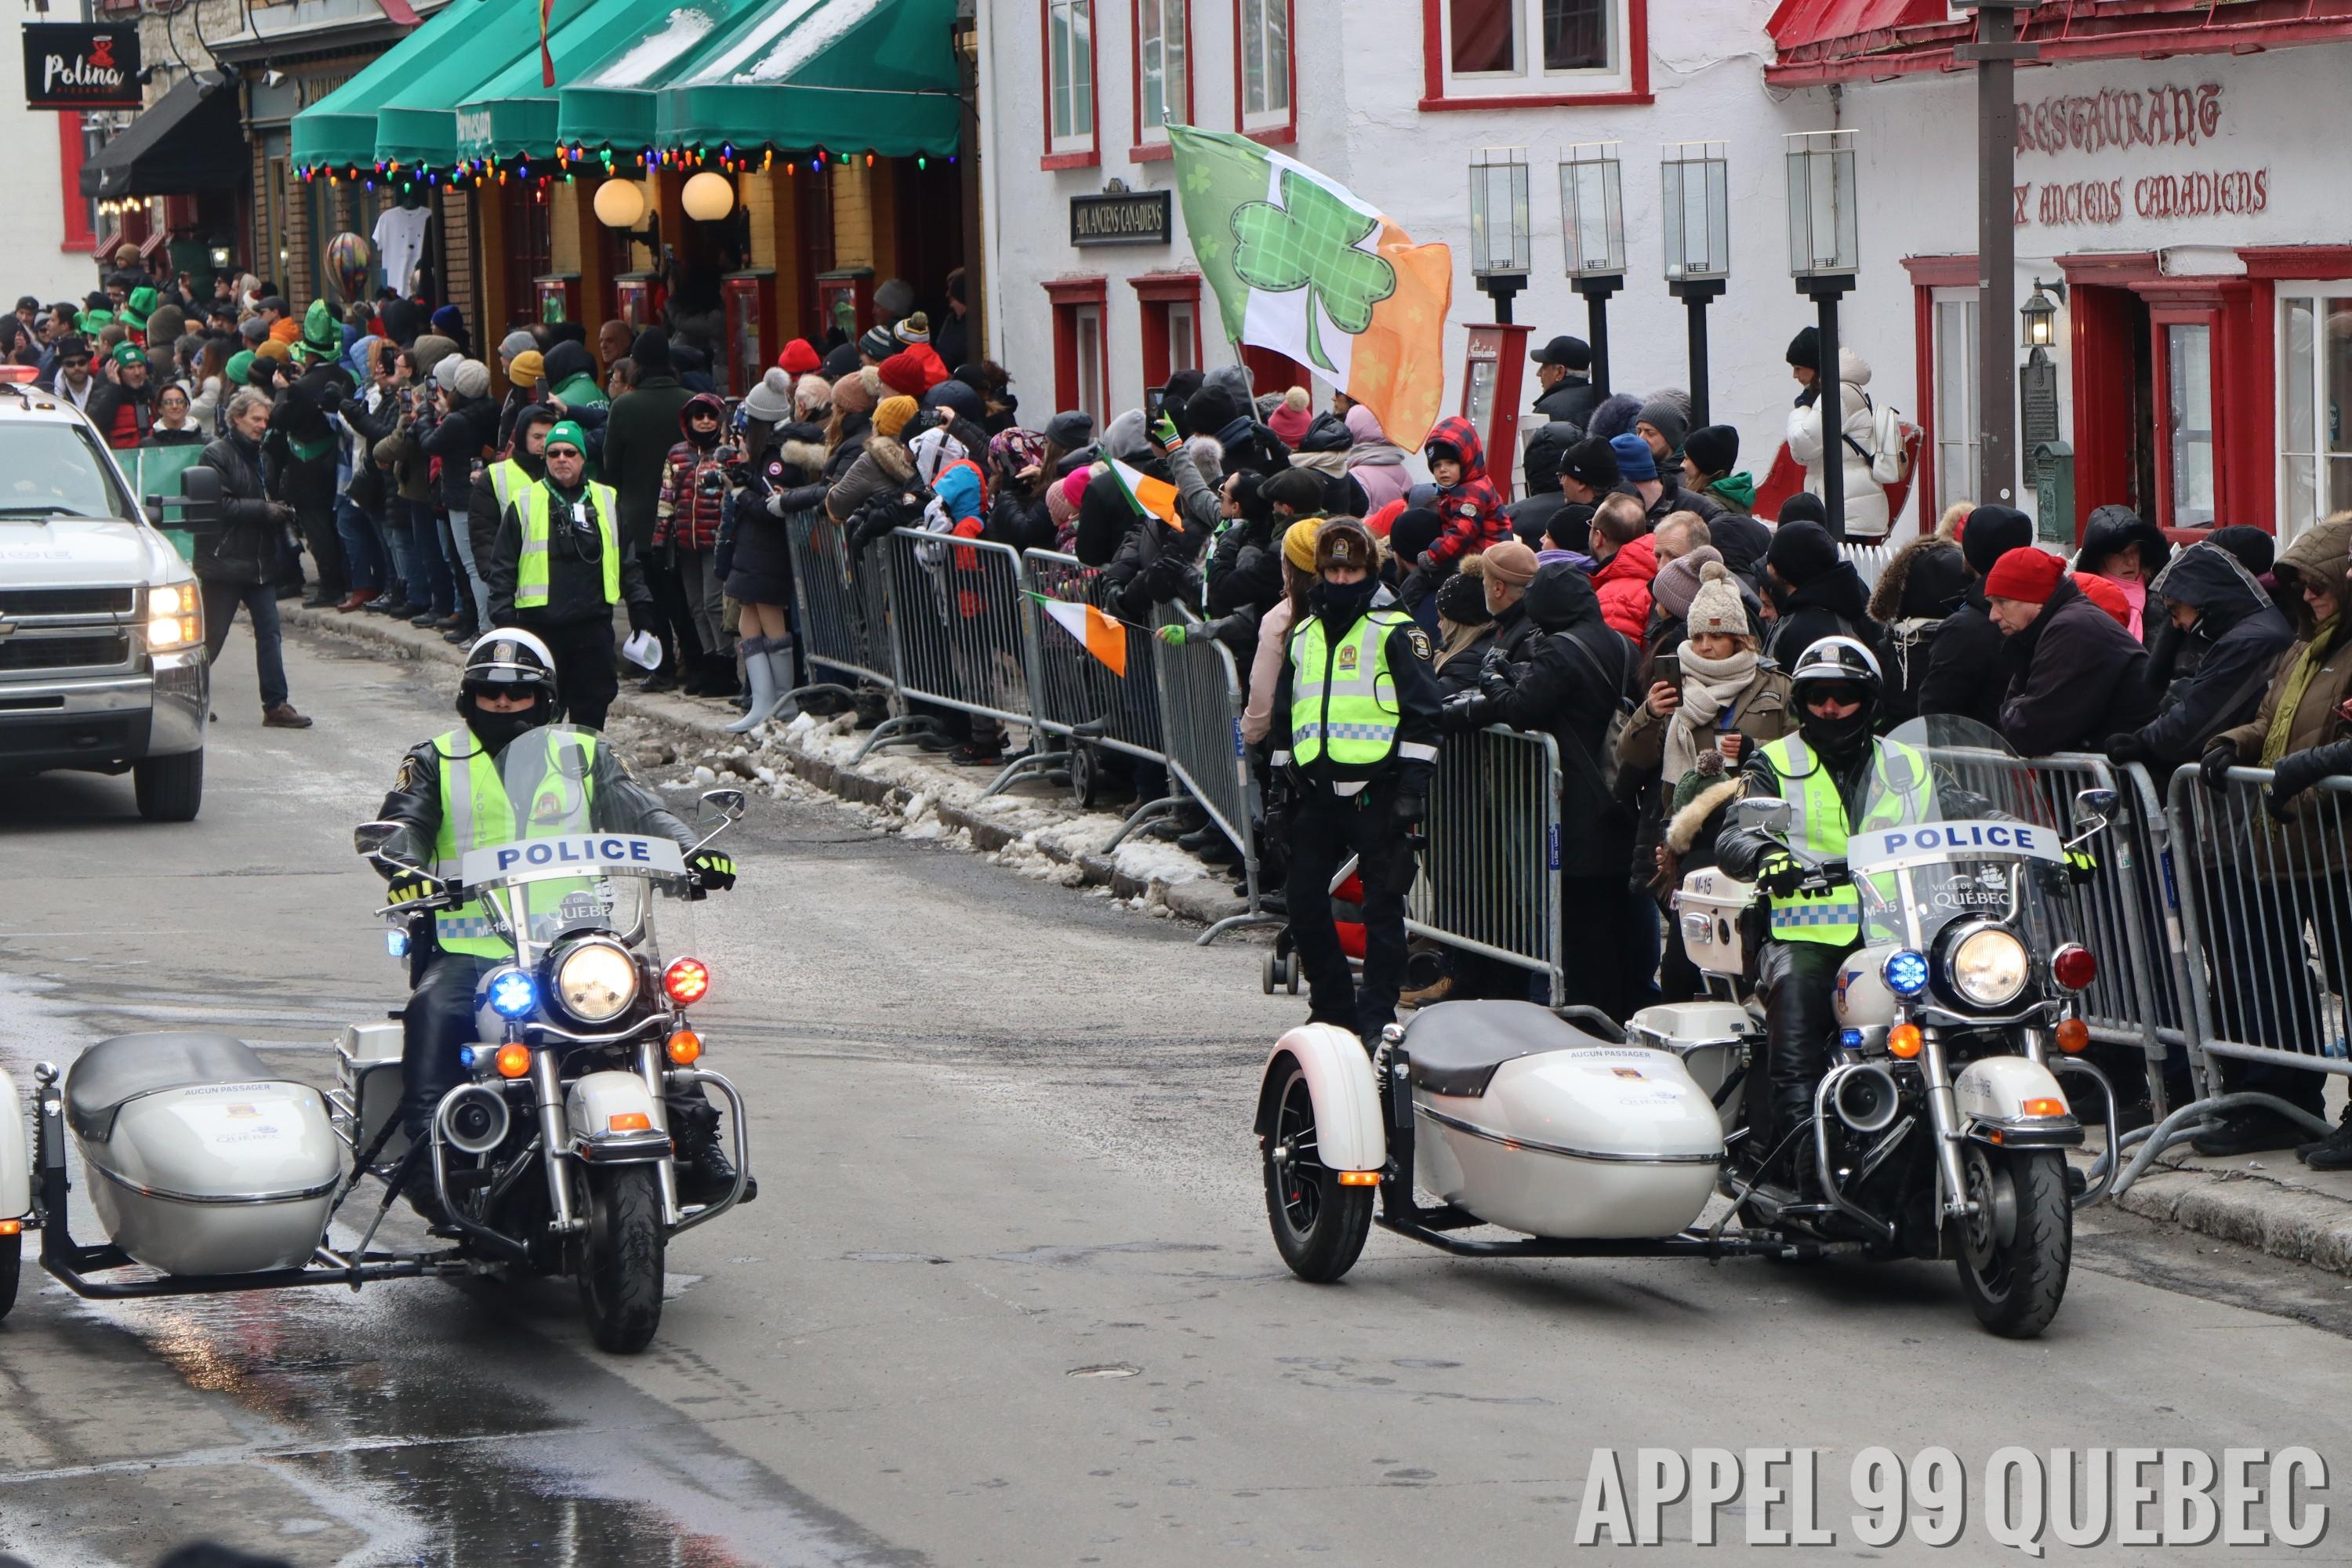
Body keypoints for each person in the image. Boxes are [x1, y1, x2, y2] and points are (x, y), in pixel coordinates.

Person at [369, 629, 748, 1207]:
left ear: (544, 700)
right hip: (471, 945)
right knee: (433, 1012)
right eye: (489, 693)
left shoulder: (584, 756)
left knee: (652, 1005)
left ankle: (696, 1134)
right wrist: (404, 868)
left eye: (517, 694)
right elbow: (402, 828)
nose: (502, 705)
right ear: (468, 697)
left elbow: (644, 814)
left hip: (574, 941)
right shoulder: (433, 760)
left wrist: (690, 852)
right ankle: (429, 1154)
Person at [1715, 637, 1930, 1169]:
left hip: (1898, 932)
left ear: (1871, 701)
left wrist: (2045, 847)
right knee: (1798, 1022)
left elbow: (1968, 812)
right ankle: (1803, 1161)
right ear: (1801, 702)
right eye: (1818, 697)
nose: (1831, 708)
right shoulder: (1775, 764)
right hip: (1805, 934)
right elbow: (1733, 837)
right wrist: (1767, 855)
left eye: (1844, 695)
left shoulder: (1907, 766)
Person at [2193, 515, 2352, 1157]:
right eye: (2296, 587)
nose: (2306, 597)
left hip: (2339, 843)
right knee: (2279, 979)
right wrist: (2230, 744)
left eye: (2315, 585)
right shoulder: (2306, 646)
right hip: (2293, 842)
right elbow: (2271, 718)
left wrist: (2314, 766)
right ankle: (2285, 1105)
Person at [1269, 517, 1444, 1044]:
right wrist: (1278, 791)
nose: (1341, 579)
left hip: (1379, 791)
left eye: (1351, 569)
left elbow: (1423, 715)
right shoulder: (1303, 633)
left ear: (1371, 568)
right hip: (1314, 793)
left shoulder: (1397, 630)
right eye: (1332, 569)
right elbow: (1286, 716)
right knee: (1302, 904)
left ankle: (1375, 1014)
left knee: (1382, 911)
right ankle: (1331, 1005)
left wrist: (1412, 791)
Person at [1444, 559, 1636, 1017]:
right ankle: (1616, 1009)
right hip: (1617, 794)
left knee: (1577, 922)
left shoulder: (1560, 650)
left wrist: (1491, 677)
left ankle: (1584, 1015)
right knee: (1614, 918)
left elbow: (1522, 710)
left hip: (1572, 800)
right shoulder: (1623, 644)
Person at [1618, 560, 1794, 1002]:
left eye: (1716, 635)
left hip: (1756, 834)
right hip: (1688, 839)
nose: (1706, 646)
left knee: (1749, 952)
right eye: (1698, 636)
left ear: (1740, 637)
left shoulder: (1775, 684)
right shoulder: (1674, 685)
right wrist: (1650, 714)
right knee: (1682, 960)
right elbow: (1633, 757)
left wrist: (1753, 751)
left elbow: (1802, 751)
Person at [482, 419, 656, 729]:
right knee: (538, 713)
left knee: (592, 709)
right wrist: (504, 619)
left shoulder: (606, 499)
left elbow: (627, 559)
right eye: (553, 453)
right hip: (540, 628)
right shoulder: (524, 502)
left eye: (570, 452)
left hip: (592, 625)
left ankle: (583, 770)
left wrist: (640, 605)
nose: (561, 459)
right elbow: (503, 566)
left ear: (582, 458)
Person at [2107, 541, 2292, 774]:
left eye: (2176, 610)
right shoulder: (2250, 632)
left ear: (2201, 597)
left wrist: (2145, 742)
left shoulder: (2248, 641)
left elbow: (2202, 711)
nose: (2175, 623)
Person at [192, 389, 310, 728]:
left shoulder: (264, 458)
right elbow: (218, 506)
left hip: (259, 560)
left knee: (270, 633)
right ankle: (189, 699)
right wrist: (265, 510)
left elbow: (268, 496)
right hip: (224, 561)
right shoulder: (215, 455)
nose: (262, 426)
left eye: (265, 420)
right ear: (236, 418)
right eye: (255, 419)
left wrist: (281, 510)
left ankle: (276, 705)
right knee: (212, 636)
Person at [1983, 546, 2156, 757]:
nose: (1993, 615)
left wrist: (2016, 710)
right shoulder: (2051, 629)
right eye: (1991, 604)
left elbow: (2030, 732)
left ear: (2036, 599)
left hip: (2134, 778)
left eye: (2002, 602)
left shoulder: (2073, 629)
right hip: (2118, 772)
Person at [601, 328, 699, 691]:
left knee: (649, 597)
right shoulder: (690, 401)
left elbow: (611, 465)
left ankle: (661, 668)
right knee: (685, 597)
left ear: (637, 364)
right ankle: (696, 661)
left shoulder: (625, 406)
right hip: (686, 514)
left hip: (639, 516)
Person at [654, 392, 742, 697]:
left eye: (711, 416)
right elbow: (667, 498)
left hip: (715, 541)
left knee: (714, 604)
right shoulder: (677, 454)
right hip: (685, 542)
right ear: (688, 421)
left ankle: (726, 664)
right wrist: (660, 538)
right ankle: (707, 663)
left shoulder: (727, 454)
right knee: (696, 607)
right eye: (698, 416)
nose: (705, 422)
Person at [1784, 330, 1892, 539]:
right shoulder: (1840, 390)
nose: (1795, 376)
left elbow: (1802, 444)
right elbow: (1803, 454)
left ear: (1815, 367)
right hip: (1847, 503)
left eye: (1798, 368)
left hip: (1846, 508)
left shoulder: (1838, 393)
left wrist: (1801, 410)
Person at [1762, 519, 1878, 668]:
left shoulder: (1806, 629)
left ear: (1789, 567)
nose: (1767, 567)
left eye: (1771, 561)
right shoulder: (1839, 604)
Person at [2071, 504, 2172, 643]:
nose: (2130, 562)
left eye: (2135, 551)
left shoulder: (2163, 601)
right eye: (2120, 553)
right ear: (2101, 558)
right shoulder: (2082, 606)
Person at [85, 342, 153, 449]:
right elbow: (95, 423)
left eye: (140, 366)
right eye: (130, 368)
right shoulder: (104, 393)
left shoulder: (153, 394)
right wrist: (114, 388)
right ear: (118, 371)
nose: (137, 372)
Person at [1530, 334, 1601, 429]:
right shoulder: (1605, 396)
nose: (1538, 373)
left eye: (1544, 366)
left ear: (1560, 372)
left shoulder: (1548, 410)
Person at [147, 381, 205, 445]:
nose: (174, 406)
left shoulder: (204, 441)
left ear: (186, 406)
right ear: (160, 408)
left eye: (179, 401)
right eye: (168, 402)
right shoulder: (148, 444)